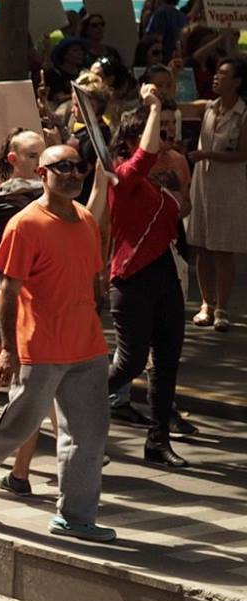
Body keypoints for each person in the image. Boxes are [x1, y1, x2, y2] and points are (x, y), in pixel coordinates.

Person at [0, 140, 115, 542]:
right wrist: (11, 350)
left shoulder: (85, 220)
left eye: (78, 167)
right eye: (61, 167)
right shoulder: (26, 224)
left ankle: (76, 516)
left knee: (89, 434)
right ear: (41, 175)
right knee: (16, 426)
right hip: (41, 348)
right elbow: (7, 291)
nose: (72, 174)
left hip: (87, 347)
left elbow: (92, 280)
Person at [104, 89, 188, 467]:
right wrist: (154, 106)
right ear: (128, 143)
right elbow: (146, 154)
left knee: (167, 358)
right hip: (131, 279)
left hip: (166, 275)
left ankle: (158, 441)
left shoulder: (154, 184)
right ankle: (75, 400)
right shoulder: (122, 177)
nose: (164, 143)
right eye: (157, 134)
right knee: (130, 363)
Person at [187, 56, 247, 329]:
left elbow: (242, 153)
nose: (216, 78)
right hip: (203, 183)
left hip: (228, 185)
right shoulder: (208, 108)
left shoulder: (243, 114)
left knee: (223, 248)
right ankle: (205, 303)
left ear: (237, 82)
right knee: (201, 246)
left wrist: (207, 154)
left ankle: (222, 307)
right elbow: (175, 107)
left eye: (223, 74)